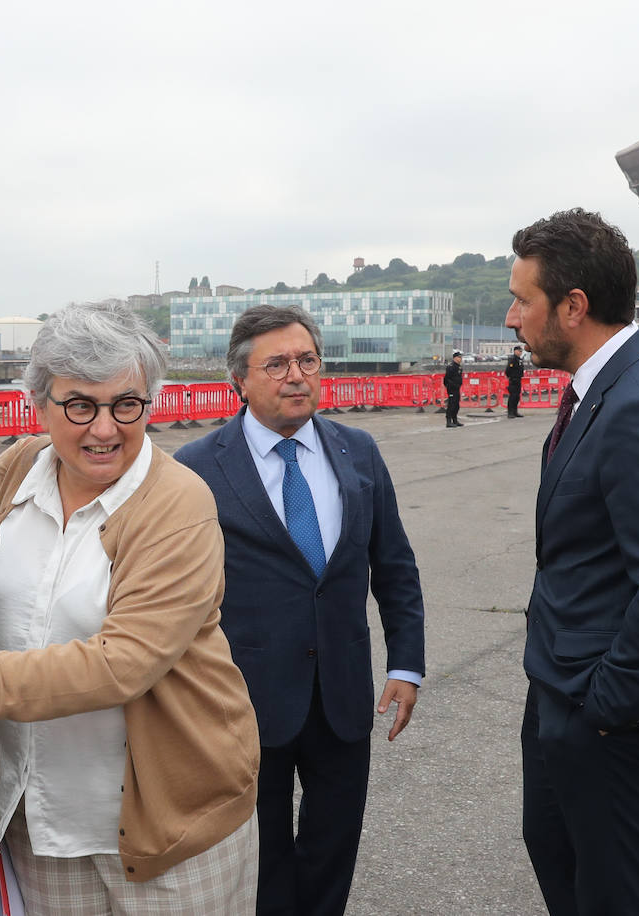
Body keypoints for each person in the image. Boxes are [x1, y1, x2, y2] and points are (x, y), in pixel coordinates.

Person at [0, 302, 262, 914]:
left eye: (126, 405)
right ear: (40, 404)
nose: (104, 429)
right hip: (40, 815)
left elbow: (121, 665)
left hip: (169, 825)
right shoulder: (15, 470)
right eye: (80, 405)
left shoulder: (178, 505)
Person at [174, 304, 426, 916]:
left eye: (307, 360)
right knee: (258, 857)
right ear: (240, 380)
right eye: (278, 364)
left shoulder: (357, 451)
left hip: (341, 693)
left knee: (332, 849)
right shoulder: (195, 467)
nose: (297, 375)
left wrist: (406, 666)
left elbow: (393, 566)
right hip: (243, 699)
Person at [505, 208, 639, 916]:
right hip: (565, 688)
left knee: (612, 896)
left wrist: (606, 709)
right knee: (565, 866)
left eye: (522, 301)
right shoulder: (608, 388)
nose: (511, 319)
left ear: (574, 306)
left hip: (601, 714)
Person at [444, 350, 464, 427]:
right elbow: (446, 379)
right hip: (452, 388)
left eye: (461, 357)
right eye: (459, 357)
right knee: (451, 405)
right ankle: (448, 421)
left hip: (457, 388)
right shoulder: (451, 367)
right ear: (455, 358)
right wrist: (450, 386)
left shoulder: (459, 367)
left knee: (456, 405)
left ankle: (455, 420)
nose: (460, 359)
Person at [505, 344, 525, 416]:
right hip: (513, 380)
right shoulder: (512, 359)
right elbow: (508, 370)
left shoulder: (519, 360)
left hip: (518, 380)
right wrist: (510, 377)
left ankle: (515, 411)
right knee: (512, 396)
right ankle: (510, 412)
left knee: (517, 397)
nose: (520, 353)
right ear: (515, 351)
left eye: (521, 351)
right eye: (519, 351)